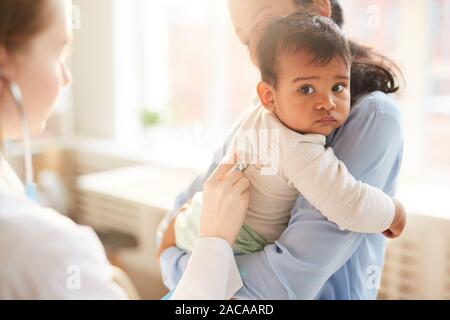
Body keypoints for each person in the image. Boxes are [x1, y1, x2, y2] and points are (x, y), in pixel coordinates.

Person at [0, 0, 247, 300]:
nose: (67, 77)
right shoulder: (48, 251)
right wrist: (214, 244)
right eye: (58, 52)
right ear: (4, 62)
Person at [158, 0, 405, 300]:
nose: (254, 50)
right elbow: (185, 206)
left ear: (318, 8)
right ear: (268, 96)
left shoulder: (371, 117)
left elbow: (272, 290)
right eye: (245, 39)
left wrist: (188, 263)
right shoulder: (268, 112)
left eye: (262, 24)